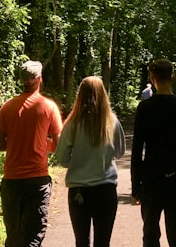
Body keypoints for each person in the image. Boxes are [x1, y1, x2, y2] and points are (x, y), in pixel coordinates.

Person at [0, 60, 63, 247]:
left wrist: (17, 142)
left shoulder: (7, 107)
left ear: (21, 81)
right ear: (39, 79)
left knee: (14, 236)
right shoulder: (49, 107)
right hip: (37, 180)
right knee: (33, 236)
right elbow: (59, 145)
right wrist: (41, 144)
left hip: (11, 180)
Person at [131, 58, 176, 247]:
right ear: (172, 77)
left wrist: (136, 185)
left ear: (152, 78)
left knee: (150, 235)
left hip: (152, 179)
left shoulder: (145, 108)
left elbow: (137, 149)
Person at [55, 76, 126, 247]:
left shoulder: (72, 123)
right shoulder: (112, 122)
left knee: (81, 241)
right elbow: (119, 152)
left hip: (79, 191)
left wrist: (78, 161)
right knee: (103, 241)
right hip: (106, 189)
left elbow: (61, 158)